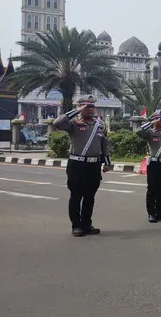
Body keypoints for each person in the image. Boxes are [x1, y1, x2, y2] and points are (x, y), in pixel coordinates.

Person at [53, 95, 111, 237]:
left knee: (90, 196)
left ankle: (87, 224)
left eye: (92, 106)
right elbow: (57, 123)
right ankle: (76, 225)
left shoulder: (100, 124)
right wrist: (77, 110)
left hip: (94, 165)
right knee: (76, 196)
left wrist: (107, 162)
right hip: (77, 164)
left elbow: (104, 144)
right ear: (80, 107)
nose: (90, 109)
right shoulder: (73, 123)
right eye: (87, 106)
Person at [136, 109, 161, 223]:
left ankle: (159, 212)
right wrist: (151, 123)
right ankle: (151, 213)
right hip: (154, 164)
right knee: (152, 189)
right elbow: (138, 132)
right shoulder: (149, 133)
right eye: (159, 119)